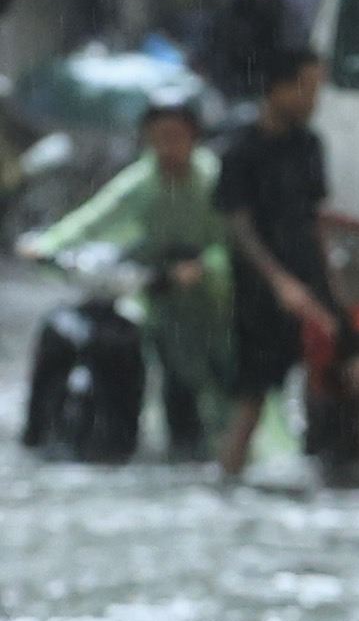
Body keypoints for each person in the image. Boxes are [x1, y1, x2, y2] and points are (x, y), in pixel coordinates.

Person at [214, 45, 359, 485]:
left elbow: (314, 220)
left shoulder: (310, 145)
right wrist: (280, 283)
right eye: (308, 89)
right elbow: (239, 228)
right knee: (251, 404)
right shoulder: (240, 152)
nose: (315, 101)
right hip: (262, 295)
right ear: (278, 89)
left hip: (315, 286)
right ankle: (226, 483)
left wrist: (332, 288)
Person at [23, 94, 232, 457]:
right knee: (170, 377)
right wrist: (47, 243)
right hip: (162, 290)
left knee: (221, 381)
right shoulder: (143, 179)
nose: (167, 146)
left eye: (176, 136)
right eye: (159, 136)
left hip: (213, 297)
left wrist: (203, 267)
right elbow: (96, 215)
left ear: (193, 137)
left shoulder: (211, 178)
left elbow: (232, 240)